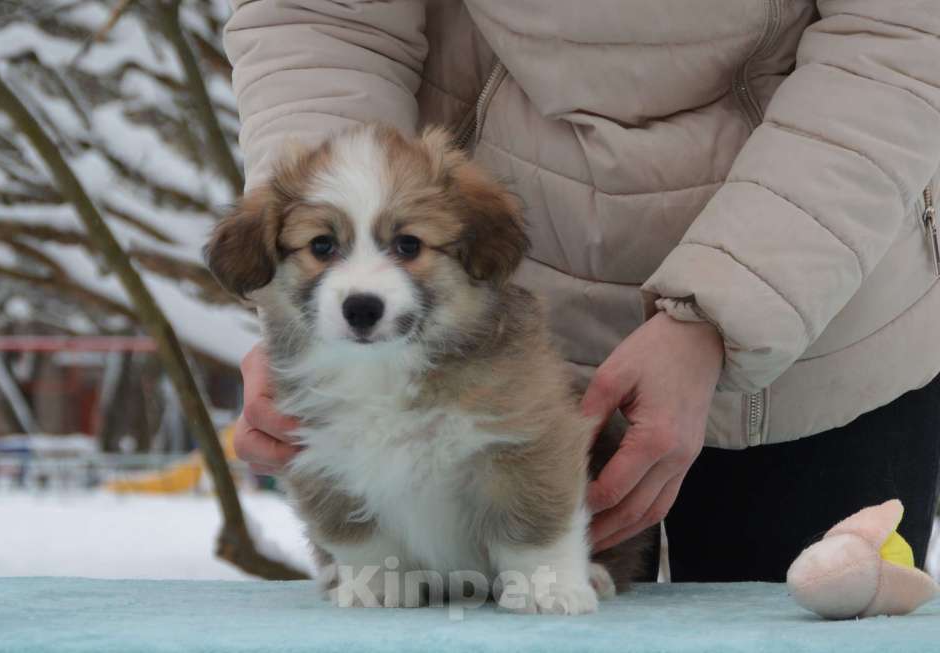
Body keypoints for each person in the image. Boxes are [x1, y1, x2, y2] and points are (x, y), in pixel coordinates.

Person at [222, 1, 940, 581]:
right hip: (484, 337)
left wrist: (721, 312)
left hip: (819, 319)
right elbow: (323, 16)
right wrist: (310, 299)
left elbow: (902, 34)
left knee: (816, 612)